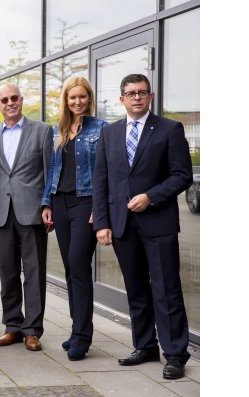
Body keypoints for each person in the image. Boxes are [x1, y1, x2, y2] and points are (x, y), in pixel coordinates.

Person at [92, 74, 192, 379]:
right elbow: (101, 182)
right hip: (123, 225)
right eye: (130, 93)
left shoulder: (169, 129)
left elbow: (181, 175)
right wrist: (102, 223)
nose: (136, 98)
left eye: (142, 93)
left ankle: (175, 353)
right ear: (122, 98)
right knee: (135, 290)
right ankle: (145, 345)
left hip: (158, 223)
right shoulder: (110, 133)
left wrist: (151, 196)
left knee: (167, 290)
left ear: (150, 96)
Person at [0, 83, 53, 352]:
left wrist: (48, 205)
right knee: (7, 273)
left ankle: (32, 330)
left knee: (34, 274)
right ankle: (13, 326)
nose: (9, 103)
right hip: (0, 214)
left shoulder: (42, 131)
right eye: (4, 100)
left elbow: (50, 172)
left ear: (21, 101)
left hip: (32, 213)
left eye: (14, 98)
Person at [41, 77, 107, 360]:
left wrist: (100, 207)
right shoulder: (59, 130)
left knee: (79, 264)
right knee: (70, 268)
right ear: (65, 101)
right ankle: (75, 328)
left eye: (82, 97)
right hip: (60, 203)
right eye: (72, 98)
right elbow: (52, 169)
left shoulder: (101, 129)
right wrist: (47, 202)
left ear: (89, 98)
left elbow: (106, 172)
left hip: (86, 203)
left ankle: (83, 335)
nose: (77, 102)